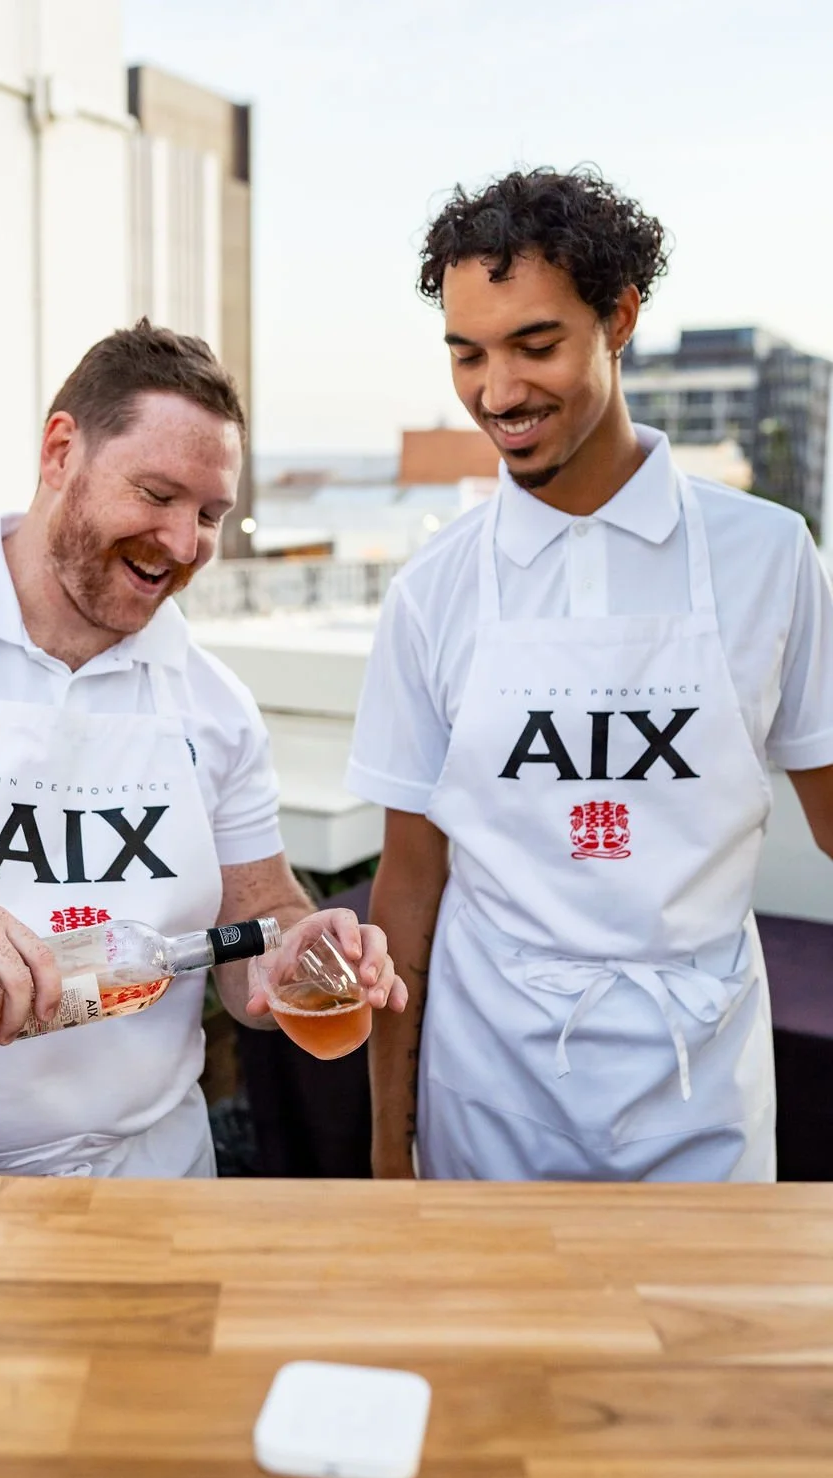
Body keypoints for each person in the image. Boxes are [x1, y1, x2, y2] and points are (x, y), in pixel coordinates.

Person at [0, 320, 406, 1177]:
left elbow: (258, 919)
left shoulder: (216, 704)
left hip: (154, 1175)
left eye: (209, 514)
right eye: (157, 494)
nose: (183, 541)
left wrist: (305, 952)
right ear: (61, 452)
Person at [347, 169, 833, 1183]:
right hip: (490, 1100)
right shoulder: (432, 591)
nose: (497, 393)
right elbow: (408, 888)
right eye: (467, 354)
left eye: (535, 345)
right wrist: (389, 1153)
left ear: (619, 319)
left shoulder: (770, 556)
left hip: (700, 1095)